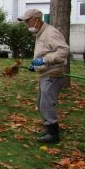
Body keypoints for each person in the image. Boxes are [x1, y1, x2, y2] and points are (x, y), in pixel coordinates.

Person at [19, 8, 69, 144]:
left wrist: (45, 60)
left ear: (37, 20)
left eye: (28, 21)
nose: (27, 25)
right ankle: (48, 128)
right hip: (45, 74)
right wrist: (36, 65)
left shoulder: (50, 33)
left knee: (47, 104)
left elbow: (64, 51)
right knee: (41, 103)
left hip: (53, 75)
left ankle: (53, 134)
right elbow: (45, 51)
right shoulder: (40, 34)